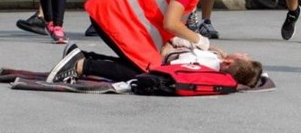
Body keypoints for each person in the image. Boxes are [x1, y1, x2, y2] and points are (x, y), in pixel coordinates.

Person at [46, 0, 249, 84]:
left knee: (147, 61)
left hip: (116, 9)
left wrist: (190, 43)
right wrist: (202, 42)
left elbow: (167, 20)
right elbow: (171, 23)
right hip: (114, 14)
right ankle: (82, 65)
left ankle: (81, 57)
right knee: (147, 71)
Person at [45, 40, 263, 88]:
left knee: (128, 72)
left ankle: (83, 63)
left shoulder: (210, 61)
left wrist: (171, 47)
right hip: (164, 58)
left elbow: (181, 59)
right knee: (124, 65)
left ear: (229, 62)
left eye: (243, 55)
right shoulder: (219, 64)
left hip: (162, 59)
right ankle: (84, 56)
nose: (244, 52)